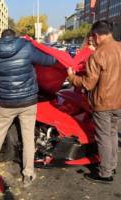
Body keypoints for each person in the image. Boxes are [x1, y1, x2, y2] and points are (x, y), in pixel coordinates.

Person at [0, 29, 56, 187]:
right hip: (27, 101)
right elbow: (49, 61)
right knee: (28, 138)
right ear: (15, 37)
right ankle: (28, 174)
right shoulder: (26, 47)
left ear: (1, 39)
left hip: (6, 102)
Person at [67, 20, 121, 184]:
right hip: (119, 101)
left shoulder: (97, 55)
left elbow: (87, 84)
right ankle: (112, 165)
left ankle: (105, 173)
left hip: (103, 103)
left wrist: (71, 76)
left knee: (104, 137)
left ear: (96, 35)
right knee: (112, 134)